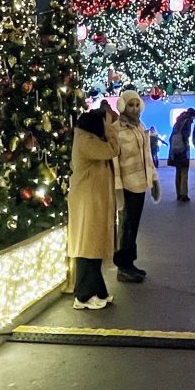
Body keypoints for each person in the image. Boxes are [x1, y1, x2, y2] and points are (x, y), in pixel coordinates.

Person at [67, 101, 119, 310]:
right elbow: (113, 150)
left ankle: (97, 291)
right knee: (88, 248)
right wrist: (110, 129)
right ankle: (83, 295)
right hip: (87, 201)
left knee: (93, 247)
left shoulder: (88, 139)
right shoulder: (87, 141)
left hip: (93, 200)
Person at [110, 89, 160, 283]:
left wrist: (154, 180)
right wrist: (118, 188)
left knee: (133, 225)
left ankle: (130, 263)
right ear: (122, 106)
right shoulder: (116, 129)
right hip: (127, 184)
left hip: (140, 183)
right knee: (126, 225)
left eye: (136, 104)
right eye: (130, 105)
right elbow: (114, 160)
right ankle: (122, 266)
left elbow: (147, 157)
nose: (134, 108)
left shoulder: (140, 127)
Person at [168, 109, 194, 201]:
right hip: (182, 150)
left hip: (175, 150)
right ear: (192, 115)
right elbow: (185, 136)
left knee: (178, 172)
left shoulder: (177, 122)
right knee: (184, 172)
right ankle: (184, 194)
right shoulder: (188, 122)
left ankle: (178, 194)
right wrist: (186, 149)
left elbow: (171, 137)